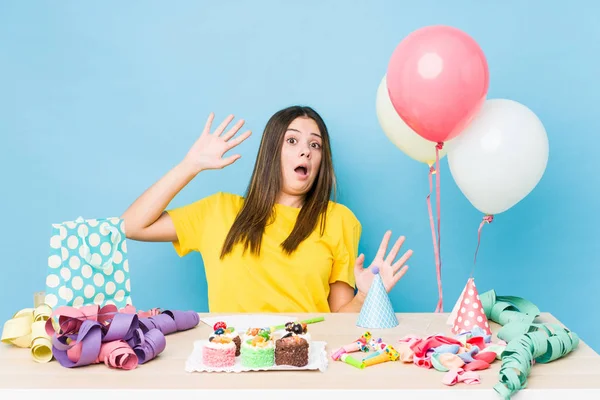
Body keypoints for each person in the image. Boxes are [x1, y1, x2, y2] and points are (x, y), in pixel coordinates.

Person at [121, 106, 413, 313]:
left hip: (306, 368)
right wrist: (190, 165)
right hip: (233, 369)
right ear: (271, 151)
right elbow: (131, 226)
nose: (306, 151)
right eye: (292, 140)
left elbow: (339, 323)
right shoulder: (218, 210)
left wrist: (364, 295)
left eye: (316, 145)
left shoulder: (338, 220)